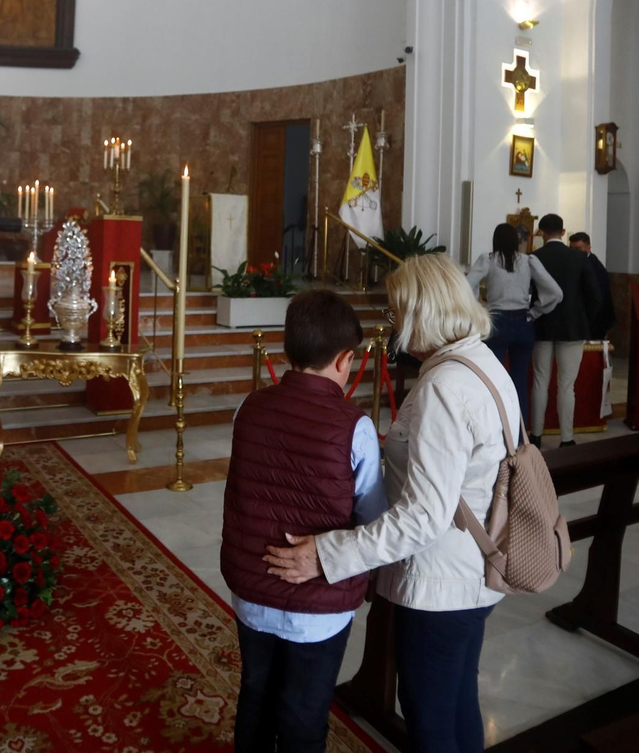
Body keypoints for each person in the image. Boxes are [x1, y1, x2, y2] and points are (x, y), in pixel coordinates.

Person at [264, 254, 518, 753]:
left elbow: (423, 517)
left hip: (442, 585)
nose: (395, 323)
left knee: (431, 724)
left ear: (423, 311)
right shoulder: (481, 362)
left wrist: (328, 554)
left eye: (398, 311)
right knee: (458, 702)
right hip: (473, 572)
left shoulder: (446, 387)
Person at [221, 290, 388, 753]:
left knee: (255, 695)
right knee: (303, 714)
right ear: (345, 360)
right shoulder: (354, 427)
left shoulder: (249, 408)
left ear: (287, 349)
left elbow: (242, 493)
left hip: (253, 588)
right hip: (319, 604)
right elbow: (372, 519)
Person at [468, 223, 562, 430]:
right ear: (517, 241)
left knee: (491, 380)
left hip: (497, 324)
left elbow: (465, 287)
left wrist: (479, 309)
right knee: (519, 381)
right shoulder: (529, 261)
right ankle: (519, 437)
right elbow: (556, 292)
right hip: (523, 324)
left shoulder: (488, 259)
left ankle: (493, 432)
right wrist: (536, 311)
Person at [530, 214, 602, 449]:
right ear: (563, 232)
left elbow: (529, 295)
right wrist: (583, 320)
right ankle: (566, 438)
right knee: (566, 385)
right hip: (573, 327)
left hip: (541, 326)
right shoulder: (579, 257)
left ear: (541, 232)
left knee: (540, 381)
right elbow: (594, 295)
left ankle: (536, 436)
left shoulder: (534, 257)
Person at [568, 232, 615, 340]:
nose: (574, 252)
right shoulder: (578, 263)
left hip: (594, 320)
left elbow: (598, 297)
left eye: (578, 248)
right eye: (571, 248)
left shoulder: (595, 268)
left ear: (588, 248)